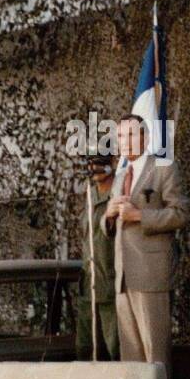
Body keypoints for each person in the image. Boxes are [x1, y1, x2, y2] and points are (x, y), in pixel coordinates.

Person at [101, 113, 189, 365]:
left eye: (130, 134)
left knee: (155, 355)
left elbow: (181, 214)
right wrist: (108, 215)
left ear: (145, 137)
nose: (124, 141)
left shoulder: (164, 168)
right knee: (131, 358)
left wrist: (140, 215)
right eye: (119, 136)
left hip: (152, 275)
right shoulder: (120, 177)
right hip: (123, 278)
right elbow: (108, 223)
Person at [77, 153, 120, 359]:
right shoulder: (89, 196)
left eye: (99, 162)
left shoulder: (118, 194)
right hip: (88, 286)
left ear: (111, 163)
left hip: (111, 285)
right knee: (85, 349)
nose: (93, 167)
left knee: (116, 348)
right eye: (90, 163)